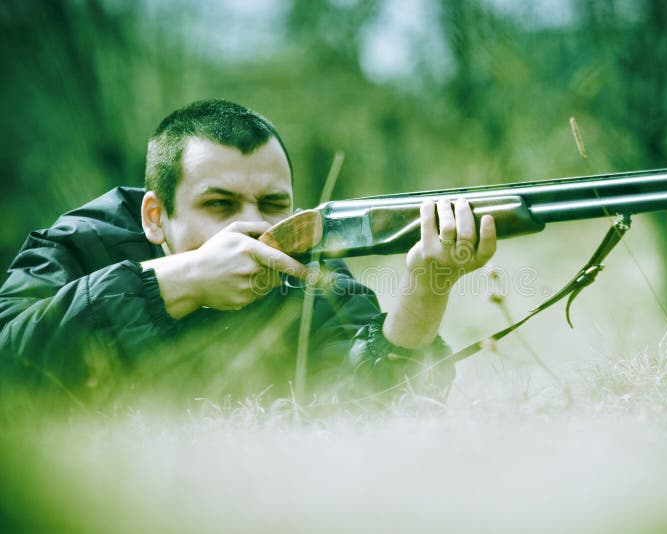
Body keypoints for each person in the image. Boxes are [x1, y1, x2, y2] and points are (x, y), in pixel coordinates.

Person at [0, 99, 496, 404]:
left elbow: (379, 402)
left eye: (274, 203)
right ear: (155, 217)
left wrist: (427, 290)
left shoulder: (303, 261)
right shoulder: (83, 244)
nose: (255, 225)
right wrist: (175, 282)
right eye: (219, 204)